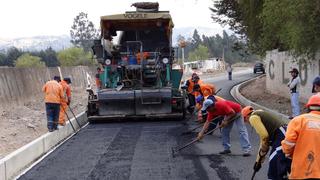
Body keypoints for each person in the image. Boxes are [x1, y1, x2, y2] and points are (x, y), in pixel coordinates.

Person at [241, 106, 291, 179]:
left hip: (281, 135)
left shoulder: (253, 117)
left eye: (245, 120)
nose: (247, 122)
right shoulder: (259, 114)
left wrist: (265, 145)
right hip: (283, 134)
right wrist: (258, 162)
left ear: (246, 117)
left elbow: (264, 136)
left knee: (274, 161)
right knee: (281, 160)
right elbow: (263, 140)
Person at [282, 95, 320, 179]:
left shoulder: (298, 120)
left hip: (300, 171)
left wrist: (288, 153)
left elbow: (288, 144)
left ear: (309, 107)